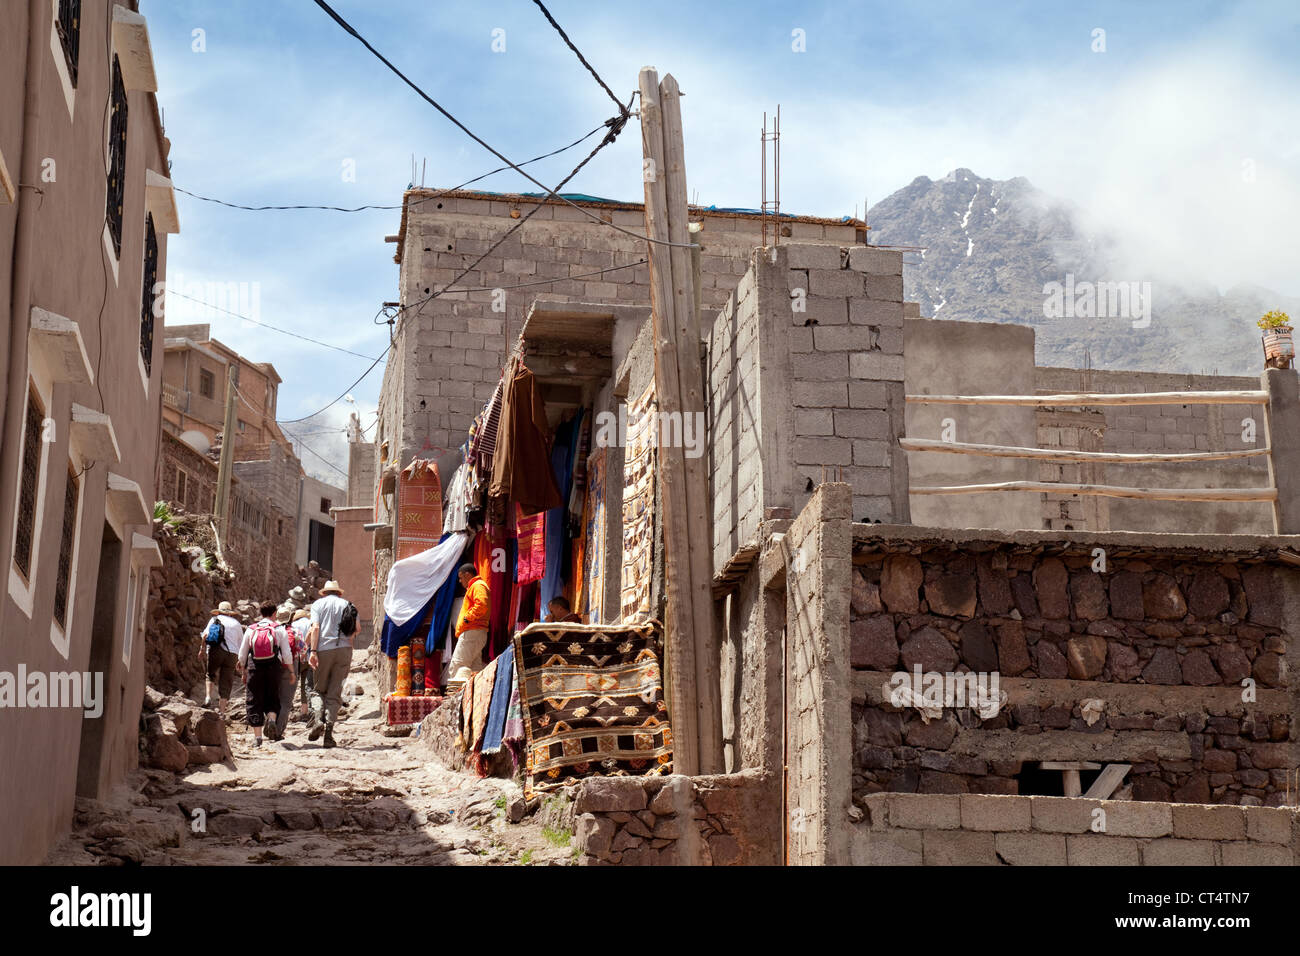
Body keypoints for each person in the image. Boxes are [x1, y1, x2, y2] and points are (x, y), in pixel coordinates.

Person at [236, 602, 294, 747]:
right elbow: (286, 654)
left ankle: (257, 738)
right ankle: (272, 720)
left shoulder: (251, 629)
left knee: (253, 699)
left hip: (254, 667)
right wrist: (292, 671)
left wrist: (243, 670)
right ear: (274, 613)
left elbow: (242, 654)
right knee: (272, 696)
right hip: (274, 667)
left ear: (261, 613)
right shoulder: (279, 629)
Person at [306, 581, 353, 748]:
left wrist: (312, 651)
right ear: (338, 593)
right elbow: (357, 628)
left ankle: (318, 719)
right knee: (335, 693)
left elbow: (315, 627)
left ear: (324, 593)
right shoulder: (348, 604)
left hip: (323, 649)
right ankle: (328, 735)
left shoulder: (318, 604)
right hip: (344, 649)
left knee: (318, 689)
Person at [198, 601, 243, 718]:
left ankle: (208, 698)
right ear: (230, 612)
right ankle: (222, 712)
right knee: (226, 681)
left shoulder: (214, 619)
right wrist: (241, 660)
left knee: (210, 674)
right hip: (232, 655)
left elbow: (205, 636)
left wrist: (202, 649)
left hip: (216, 651)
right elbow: (241, 643)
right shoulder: (236, 624)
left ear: (219, 611)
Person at [448, 563, 489, 684]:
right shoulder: (478, 586)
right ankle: (474, 700)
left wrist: (467, 618)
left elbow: (482, 604)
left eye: (461, 577)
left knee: (457, 666)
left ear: (468, 574)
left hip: (472, 631)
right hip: (477, 632)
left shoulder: (477, 585)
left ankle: (454, 699)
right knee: (474, 670)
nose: (460, 581)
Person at [271, 607, 298, 741]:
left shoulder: (272, 630)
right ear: (290, 618)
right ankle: (278, 731)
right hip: (290, 666)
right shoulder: (295, 631)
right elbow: (302, 649)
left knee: (272, 698)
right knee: (286, 702)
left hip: (272, 667)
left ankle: (269, 722)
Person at [289, 609, 314, 717]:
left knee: (291, 683)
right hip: (308, 657)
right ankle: (305, 711)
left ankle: (288, 708)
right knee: (307, 685)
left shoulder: (293, 625)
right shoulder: (310, 623)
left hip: (295, 658)